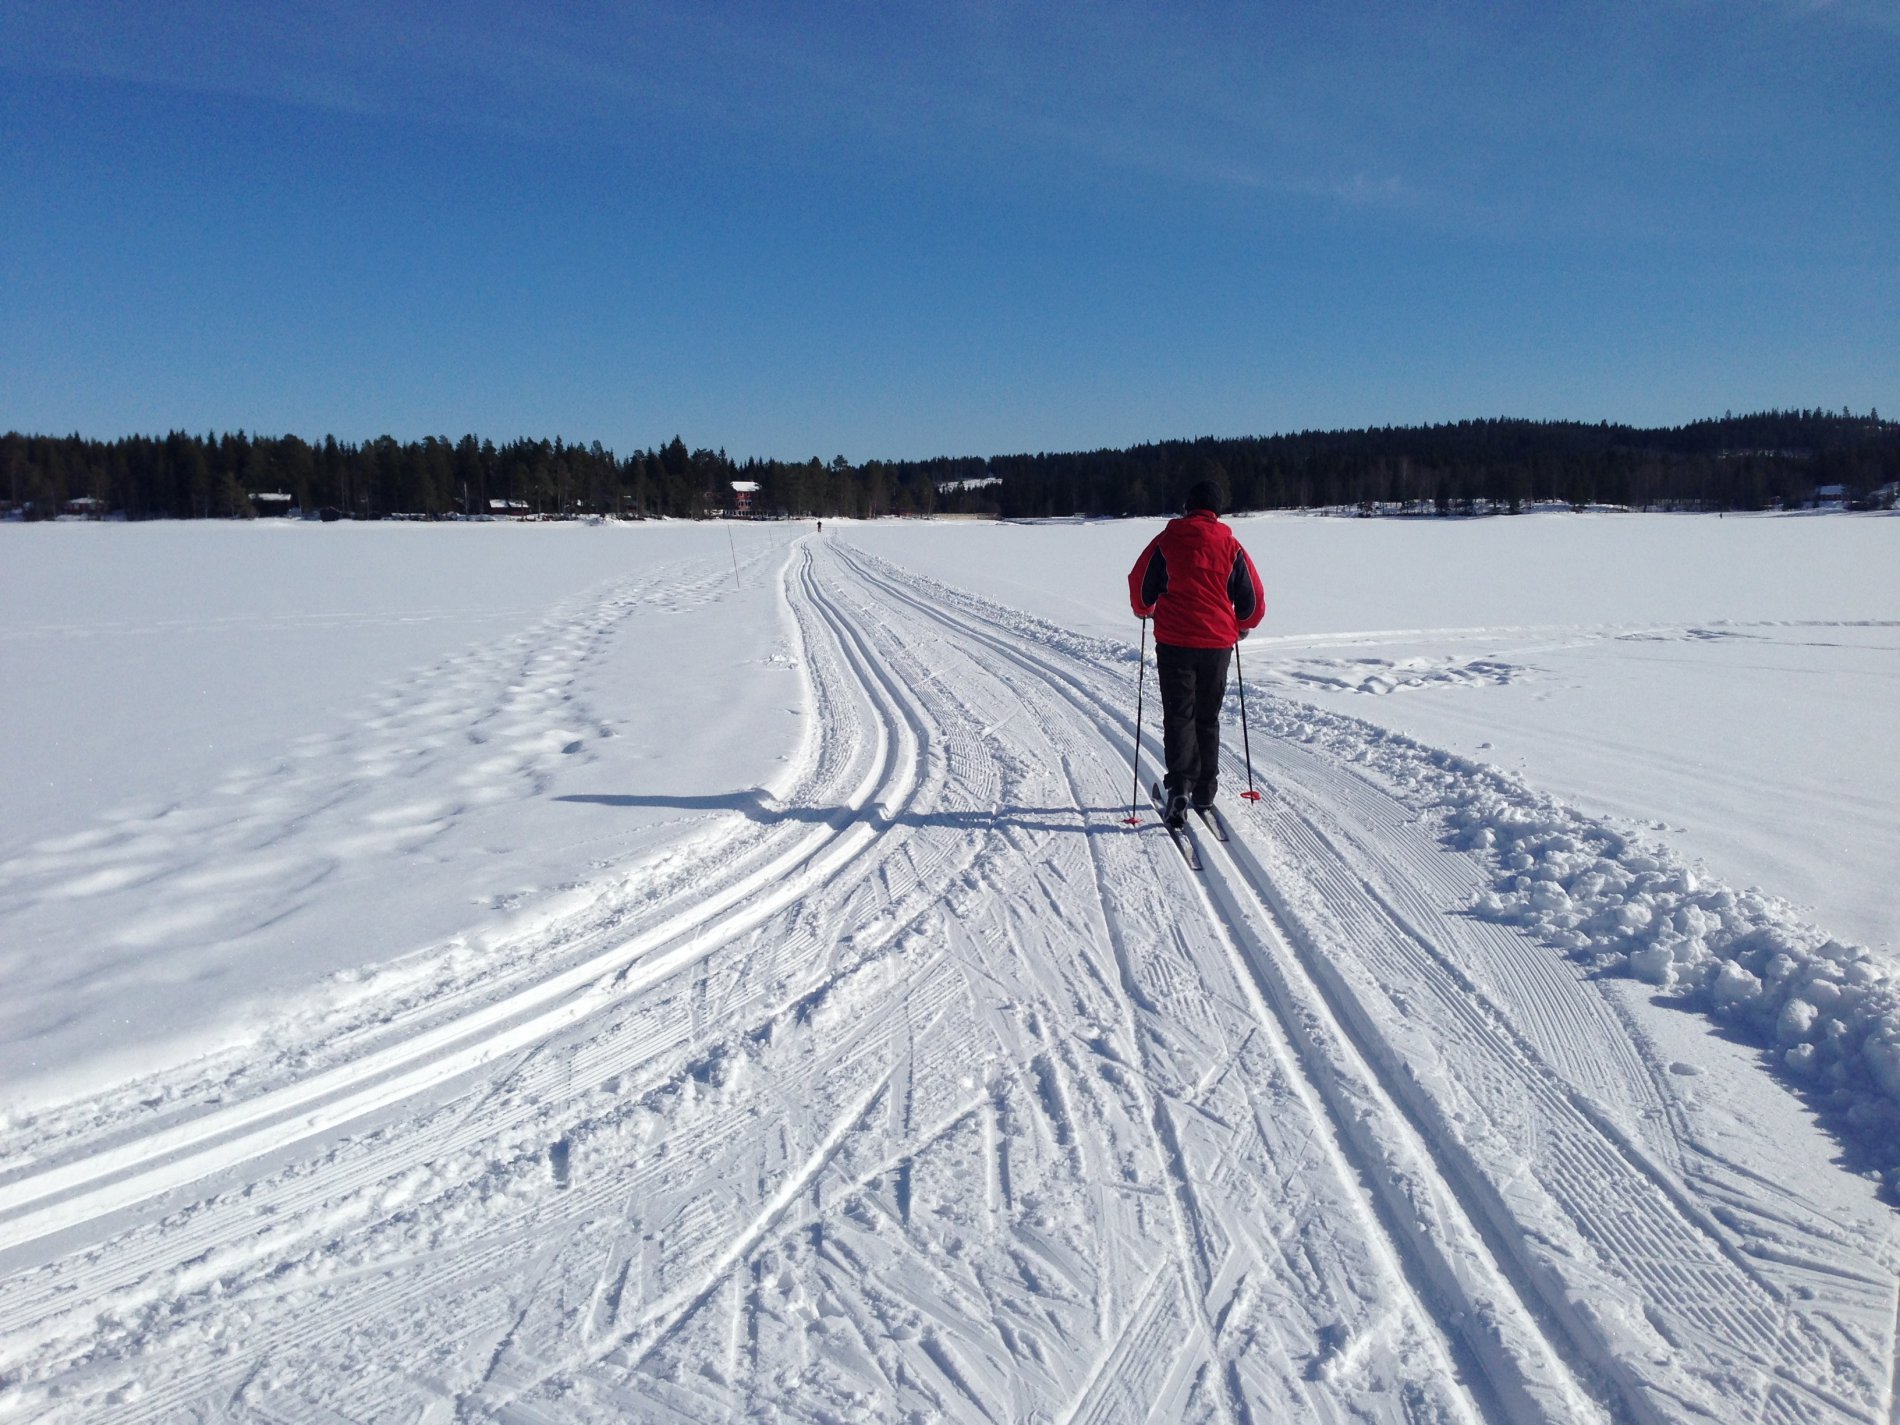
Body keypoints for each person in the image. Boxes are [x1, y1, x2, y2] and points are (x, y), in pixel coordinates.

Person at [1126, 480, 1266, 828]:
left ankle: (1181, 787)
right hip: (1217, 645)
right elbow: (1252, 601)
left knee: (1180, 715)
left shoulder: (1166, 541)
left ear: (1188, 506)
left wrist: (1144, 609)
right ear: (1216, 510)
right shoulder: (1231, 546)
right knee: (1208, 716)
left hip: (1174, 641)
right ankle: (1205, 790)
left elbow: (1140, 585)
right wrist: (1243, 624)